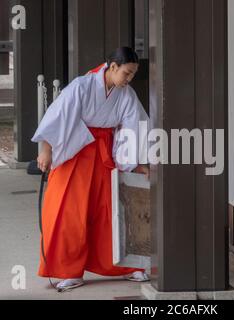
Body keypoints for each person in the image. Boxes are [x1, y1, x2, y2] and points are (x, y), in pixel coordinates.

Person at [31, 47, 150, 291]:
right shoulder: (81, 87)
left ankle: (126, 266)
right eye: (126, 73)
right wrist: (46, 150)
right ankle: (69, 270)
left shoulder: (125, 94)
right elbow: (55, 118)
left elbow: (134, 127)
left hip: (106, 155)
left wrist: (134, 162)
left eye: (132, 75)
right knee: (69, 214)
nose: (128, 80)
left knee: (110, 212)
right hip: (75, 152)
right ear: (112, 67)